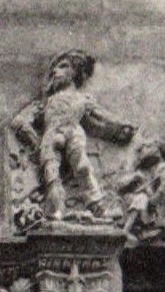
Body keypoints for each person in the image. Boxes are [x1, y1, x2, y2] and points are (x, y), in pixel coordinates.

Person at [12, 49, 135, 222]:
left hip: (73, 131)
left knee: (83, 167)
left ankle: (98, 207)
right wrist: (35, 142)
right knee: (51, 176)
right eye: (55, 68)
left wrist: (121, 126)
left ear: (75, 72)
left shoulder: (83, 99)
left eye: (63, 67)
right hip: (51, 135)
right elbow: (19, 121)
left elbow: (101, 116)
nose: (55, 71)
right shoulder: (46, 102)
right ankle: (54, 212)